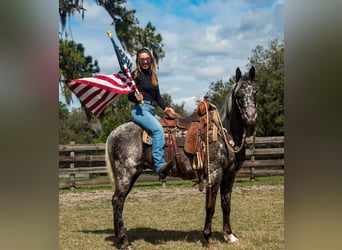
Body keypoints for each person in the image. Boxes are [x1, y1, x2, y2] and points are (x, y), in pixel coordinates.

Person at [128, 48, 175, 178]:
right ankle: (159, 165)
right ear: (138, 61)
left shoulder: (153, 76)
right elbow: (129, 95)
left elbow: (158, 97)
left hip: (151, 110)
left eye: (147, 59)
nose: (145, 61)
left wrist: (166, 108)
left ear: (151, 60)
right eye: (142, 59)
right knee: (158, 130)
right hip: (140, 110)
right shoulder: (135, 75)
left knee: (169, 128)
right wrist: (135, 97)